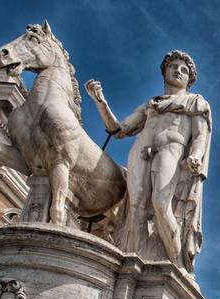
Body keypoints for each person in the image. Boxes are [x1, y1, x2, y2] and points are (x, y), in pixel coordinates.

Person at [85, 51, 212, 273]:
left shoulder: (195, 102)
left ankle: (176, 264)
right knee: (135, 208)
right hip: (141, 151)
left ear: (189, 79)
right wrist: (100, 102)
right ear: (164, 72)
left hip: (172, 149)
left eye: (184, 70)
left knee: (161, 204)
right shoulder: (150, 105)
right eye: (173, 66)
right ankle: (131, 265)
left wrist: (195, 155)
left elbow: (200, 135)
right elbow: (118, 130)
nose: (178, 71)